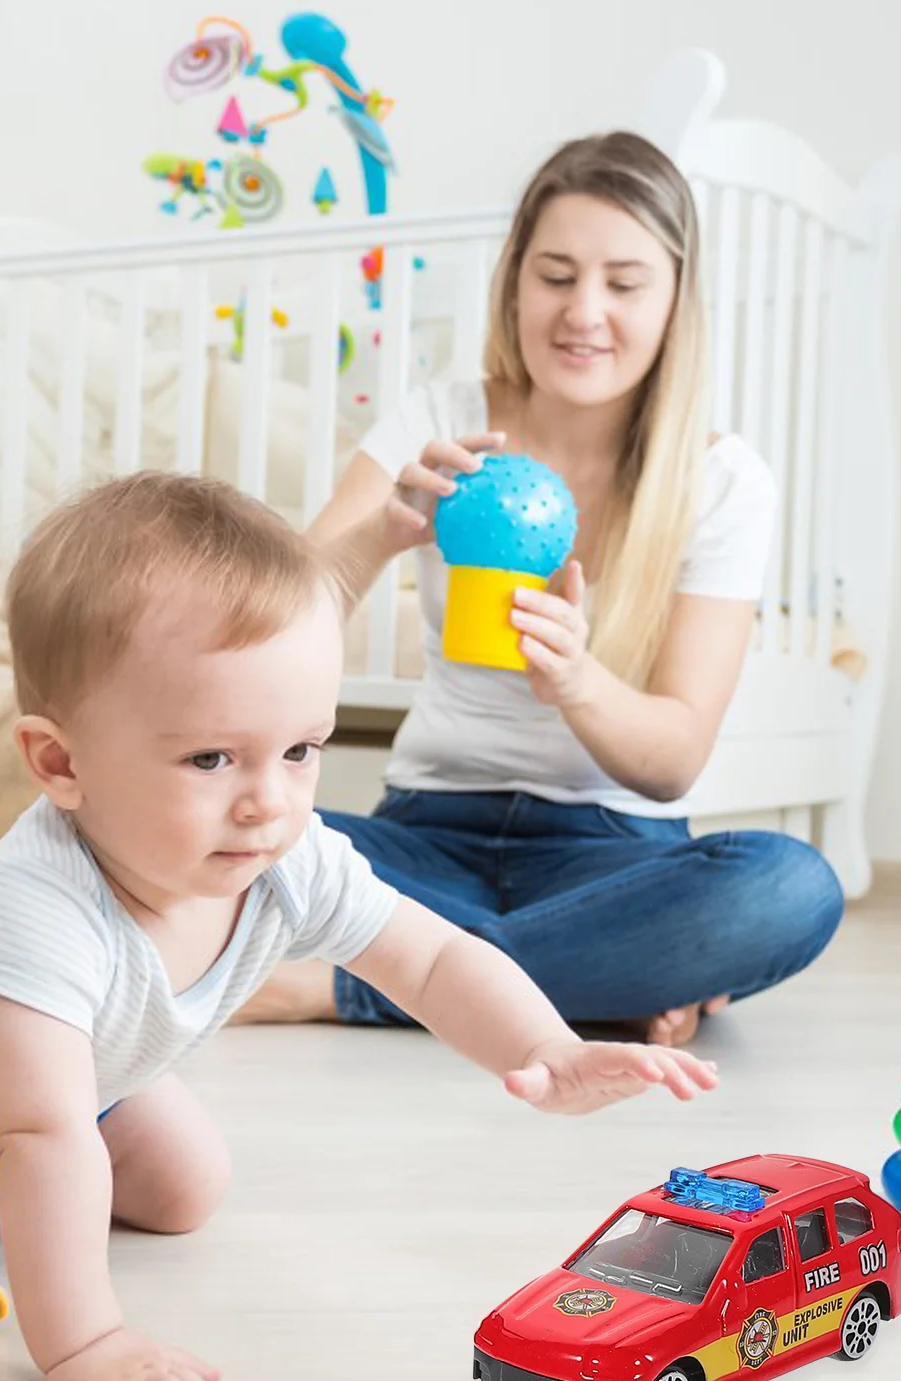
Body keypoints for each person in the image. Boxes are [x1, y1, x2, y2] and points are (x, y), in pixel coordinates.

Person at [0, 474, 716, 1381]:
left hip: (79, 1082)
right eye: (211, 759)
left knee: (187, 1189)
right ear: (60, 764)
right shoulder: (36, 908)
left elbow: (431, 957)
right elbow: (41, 1133)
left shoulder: (285, 856)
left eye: (300, 751)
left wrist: (546, 1046)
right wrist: (86, 1345)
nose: (268, 802)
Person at [236, 131, 844, 1045]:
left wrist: (579, 682)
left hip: (610, 854)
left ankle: (345, 985)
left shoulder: (722, 481)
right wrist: (382, 531)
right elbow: (271, 636)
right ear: (515, 282)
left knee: (789, 887)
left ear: (675, 301)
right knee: (190, 829)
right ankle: (594, 975)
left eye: (624, 284)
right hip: (425, 837)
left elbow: (673, 761)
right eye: (556, 276)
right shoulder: (439, 419)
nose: (583, 312)